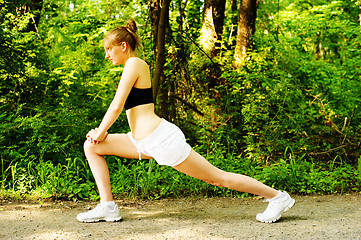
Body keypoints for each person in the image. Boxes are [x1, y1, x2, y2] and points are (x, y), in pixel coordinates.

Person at [76, 19, 295, 224]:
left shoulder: (134, 63)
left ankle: (277, 197)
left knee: (217, 178)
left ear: (123, 46)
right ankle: (108, 206)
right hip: (138, 141)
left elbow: (116, 105)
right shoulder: (130, 67)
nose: (107, 55)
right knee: (92, 147)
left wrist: (101, 131)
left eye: (109, 49)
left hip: (159, 139)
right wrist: (99, 135)